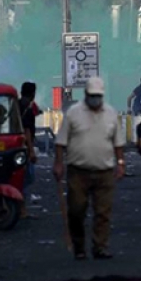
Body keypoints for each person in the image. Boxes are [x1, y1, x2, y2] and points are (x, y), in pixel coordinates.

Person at [53, 77, 125, 260]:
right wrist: (59, 163)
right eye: (92, 96)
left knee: (103, 212)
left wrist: (121, 164)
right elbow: (61, 141)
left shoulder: (110, 113)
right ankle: (79, 247)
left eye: (98, 96)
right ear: (85, 94)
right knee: (76, 211)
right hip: (78, 171)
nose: (95, 99)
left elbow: (118, 143)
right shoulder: (73, 113)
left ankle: (100, 247)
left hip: (105, 171)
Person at [18, 82, 39, 219]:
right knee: (25, 178)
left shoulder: (15, 105)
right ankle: (22, 210)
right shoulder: (28, 109)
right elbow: (27, 131)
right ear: (33, 94)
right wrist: (31, 151)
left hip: (15, 146)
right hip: (24, 148)